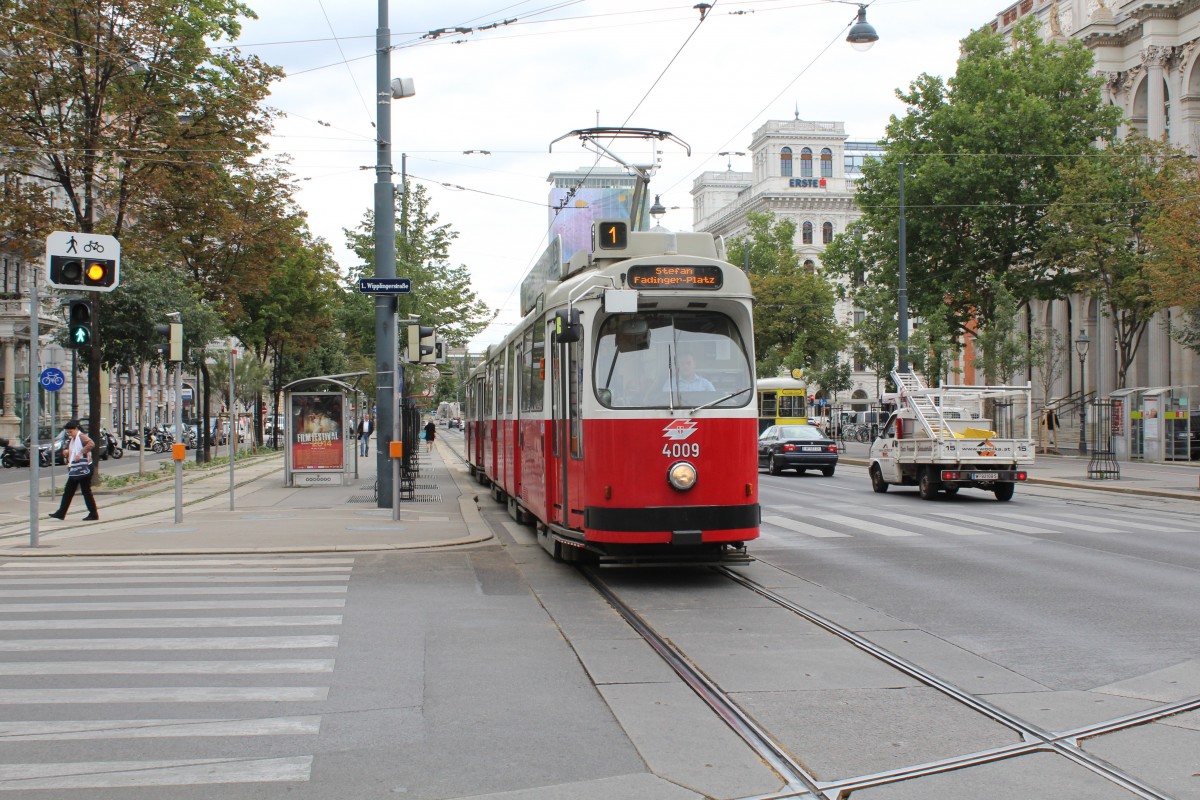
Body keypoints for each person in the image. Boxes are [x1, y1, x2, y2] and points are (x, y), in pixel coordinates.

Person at [48, 419, 99, 522]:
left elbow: (91, 444)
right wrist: (68, 452)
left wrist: (81, 453)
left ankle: (93, 514)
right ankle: (61, 513)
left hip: (84, 468)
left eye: (70, 432)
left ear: (76, 429)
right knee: (68, 491)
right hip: (76, 468)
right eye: (67, 432)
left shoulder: (81, 436)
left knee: (86, 491)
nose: (69, 434)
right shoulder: (73, 439)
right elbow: (74, 450)